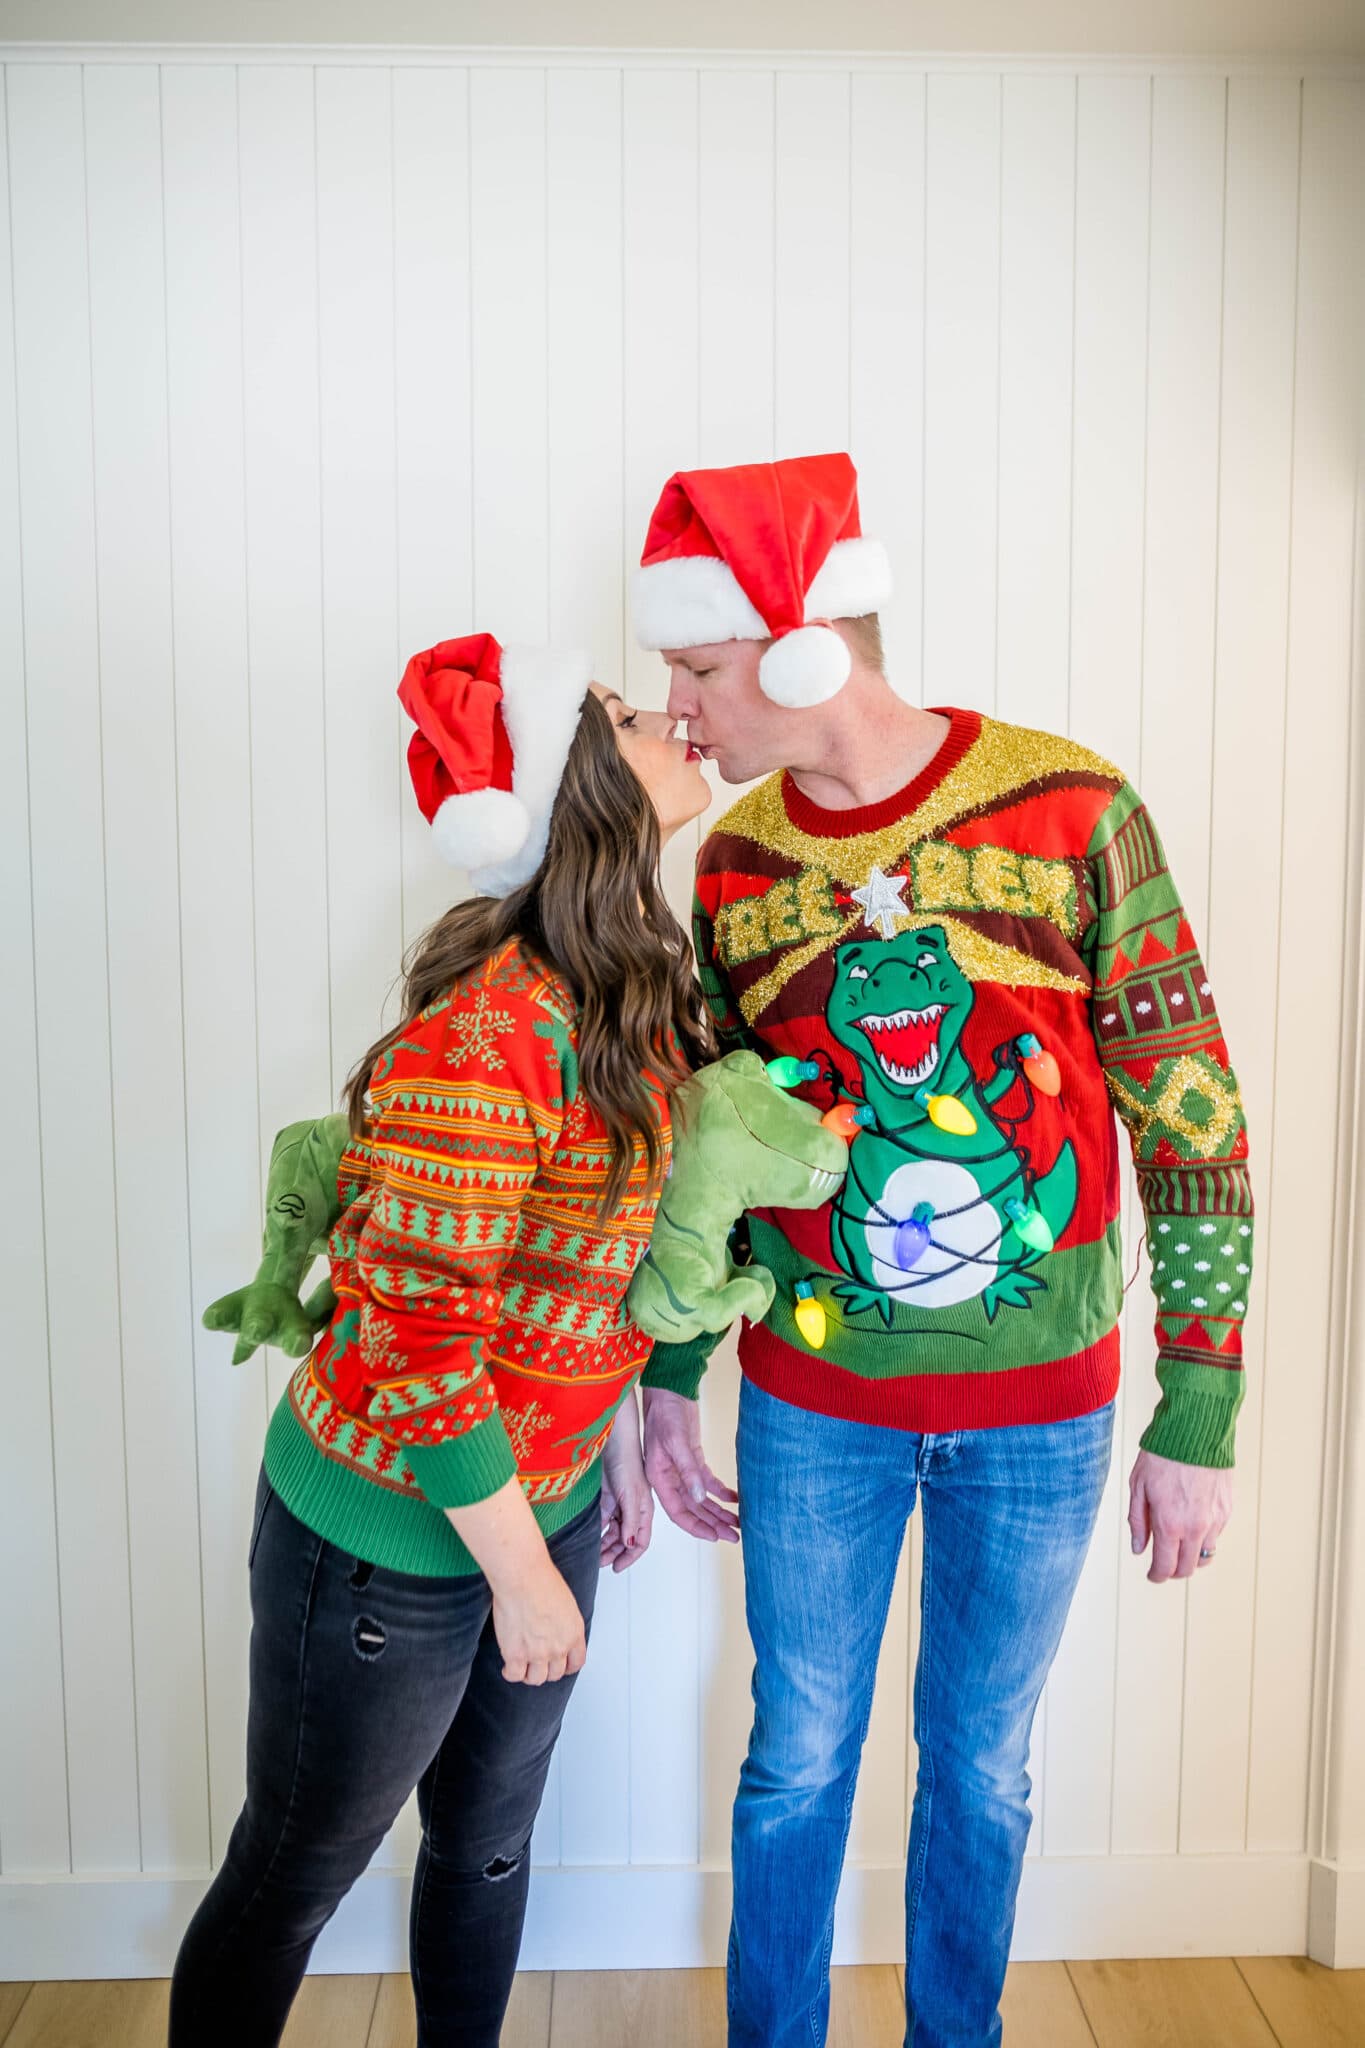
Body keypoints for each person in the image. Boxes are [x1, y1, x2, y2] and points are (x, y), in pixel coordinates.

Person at [631, 454, 1252, 2048]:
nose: (681, 711)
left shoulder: (1072, 804)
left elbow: (1187, 1111)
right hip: (813, 1408)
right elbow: (713, 1148)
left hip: (1042, 1413)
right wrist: (668, 1376)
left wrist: (1197, 1415)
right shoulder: (738, 866)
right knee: (794, 1758)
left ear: (797, 649)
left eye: (696, 671)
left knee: (981, 1764)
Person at [169, 633, 712, 2048]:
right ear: (581, 781)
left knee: (484, 1853)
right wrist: (524, 1575)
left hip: (540, 1504)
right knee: (294, 1877)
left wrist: (617, 1445)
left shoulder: (630, 998)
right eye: (630, 714)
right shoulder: (484, 1039)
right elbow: (415, 1334)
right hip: (390, 1541)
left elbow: (633, 1259)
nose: (674, 721)